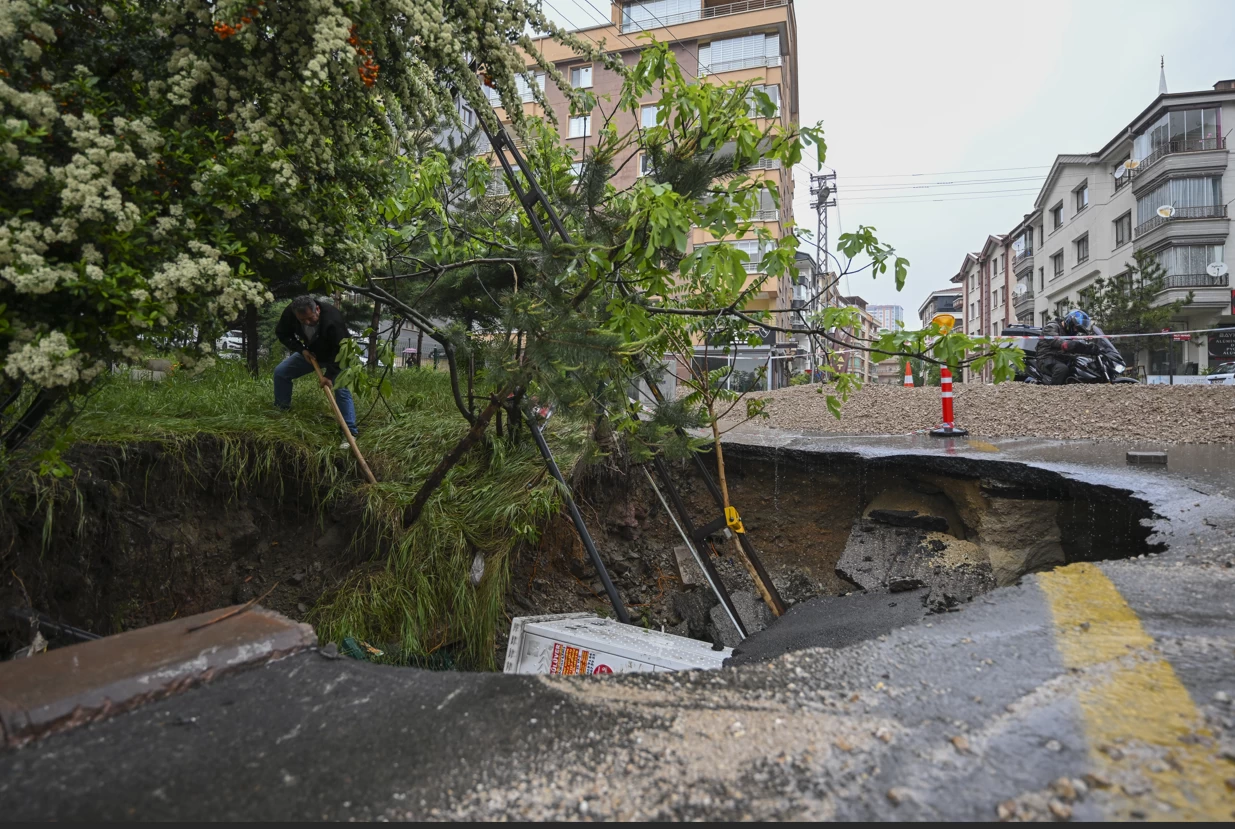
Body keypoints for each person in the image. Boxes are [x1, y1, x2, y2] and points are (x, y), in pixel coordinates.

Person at [273, 296, 358, 444]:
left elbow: (340, 350)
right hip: (312, 354)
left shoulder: (333, 319)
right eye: (302, 320)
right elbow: (282, 333)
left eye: (310, 318)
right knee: (281, 373)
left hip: (339, 356)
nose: (307, 322)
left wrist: (329, 376)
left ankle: (349, 432)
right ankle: (282, 414)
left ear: (317, 309)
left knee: (341, 389)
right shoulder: (290, 313)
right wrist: (301, 350)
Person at [1036, 309, 1100, 385]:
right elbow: (1058, 342)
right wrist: (1073, 345)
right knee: (1062, 369)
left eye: (1078, 330)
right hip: (1046, 358)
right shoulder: (1051, 327)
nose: (1076, 331)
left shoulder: (1068, 332)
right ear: (1070, 322)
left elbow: (1075, 345)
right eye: (1076, 328)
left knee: (1082, 364)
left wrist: (1092, 348)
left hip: (1061, 357)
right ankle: (1054, 391)